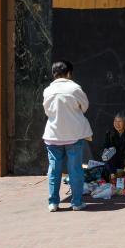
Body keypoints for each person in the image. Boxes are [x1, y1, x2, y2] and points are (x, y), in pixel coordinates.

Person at [42, 60, 93, 212]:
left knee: (54, 169)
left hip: (53, 135)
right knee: (75, 169)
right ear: (69, 73)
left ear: (54, 74)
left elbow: (47, 111)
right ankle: (76, 203)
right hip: (73, 135)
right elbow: (85, 106)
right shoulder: (75, 88)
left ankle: (53, 203)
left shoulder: (47, 90)